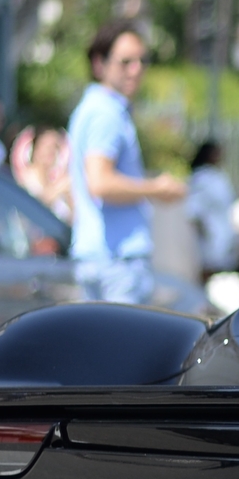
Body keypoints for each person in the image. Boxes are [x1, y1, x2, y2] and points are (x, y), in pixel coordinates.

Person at [66, 20, 185, 303]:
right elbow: (101, 183)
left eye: (142, 61)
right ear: (99, 64)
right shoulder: (106, 113)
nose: (136, 70)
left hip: (96, 258)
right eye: (125, 62)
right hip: (118, 262)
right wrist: (157, 188)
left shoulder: (89, 109)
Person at [184, 139, 239, 276]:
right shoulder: (200, 178)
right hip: (210, 242)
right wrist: (205, 245)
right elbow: (194, 213)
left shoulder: (218, 176)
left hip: (225, 239)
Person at [11, 125, 70, 220]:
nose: (50, 151)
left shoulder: (57, 181)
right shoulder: (25, 178)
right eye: (45, 145)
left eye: (55, 147)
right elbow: (32, 207)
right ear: (34, 149)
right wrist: (59, 189)